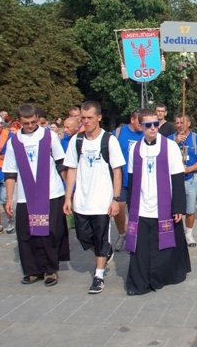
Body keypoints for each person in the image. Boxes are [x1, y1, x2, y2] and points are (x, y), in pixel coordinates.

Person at [125, 109, 190, 295]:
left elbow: (177, 177)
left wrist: (178, 207)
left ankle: (159, 278)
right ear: (141, 126)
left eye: (156, 124)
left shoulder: (169, 146)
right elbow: (131, 179)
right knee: (141, 249)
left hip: (164, 205)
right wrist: (132, 208)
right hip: (142, 206)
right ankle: (140, 282)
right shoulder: (135, 149)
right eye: (148, 125)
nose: (153, 128)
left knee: (163, 246)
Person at [3, 104, 69, 286]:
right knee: (26, 234)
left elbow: (61, 163)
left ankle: (50, 270)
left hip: (51, 192)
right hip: (25, 194)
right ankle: (32, 269)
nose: (31, 125)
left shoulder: (49, 136)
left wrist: (70, 191)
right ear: (19, 122)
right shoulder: (13, 141)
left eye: (33, 121)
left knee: (48, 233)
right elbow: (10, 172)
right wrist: (9, 198)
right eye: (26, 123)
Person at [63, 101, 125, 294]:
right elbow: (71, 168)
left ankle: (98, 275)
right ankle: (106, 251)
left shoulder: (109, 140)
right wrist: (68, 197)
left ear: (99, 117)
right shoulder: (77, 140)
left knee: (100, 237)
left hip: (102, 201)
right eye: (83, 117)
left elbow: (117, 171)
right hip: (82, 200)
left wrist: (115, 199)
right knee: (83, 237)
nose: (86, 121)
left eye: (90, 117)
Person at [169, 113, 197, 247]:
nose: (179, 125)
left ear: (188, 123)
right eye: (177, 123)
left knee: (190, 209)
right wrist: (175, 142)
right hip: (173, 180)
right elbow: (162, 154)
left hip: (190, 179)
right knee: (172, 208)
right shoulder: (170, 139)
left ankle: (189, 234)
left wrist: (190, 169)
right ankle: (173, 234)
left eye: (182, 122)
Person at [113, 108, 144, 252]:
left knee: (135, 212)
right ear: (132, 120)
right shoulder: (119, 133)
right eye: (140, 121)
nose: (143, 124)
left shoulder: (146, 134)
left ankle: (135, 236)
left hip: (139, 181)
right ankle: (121, 233)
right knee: (119, 208)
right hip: (121, 180)